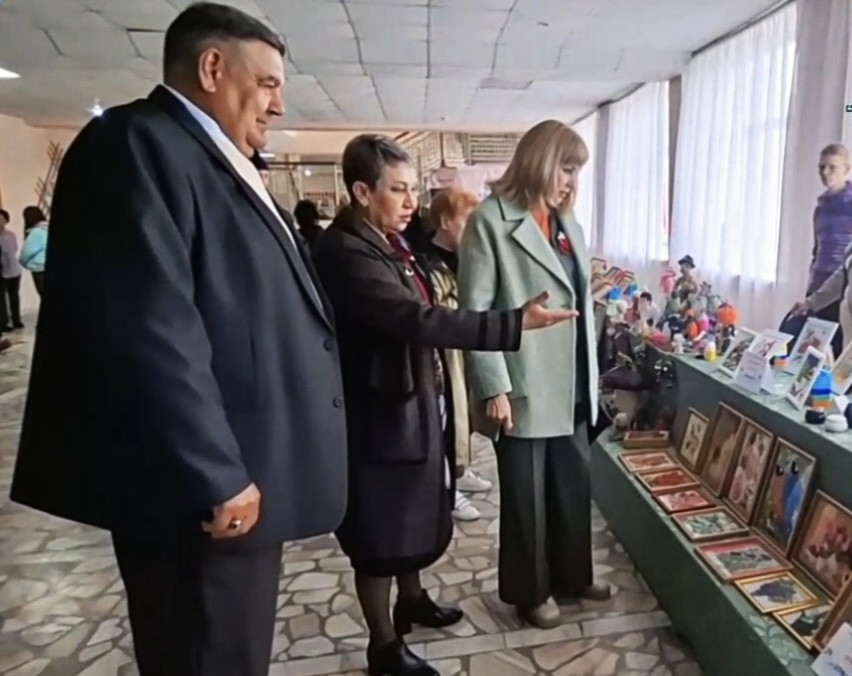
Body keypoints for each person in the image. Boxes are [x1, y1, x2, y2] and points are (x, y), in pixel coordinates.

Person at [9, 4, 347, 675]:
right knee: (205, 655)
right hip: (198, 493)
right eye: (268, 83)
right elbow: (147, 327)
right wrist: (216, 473)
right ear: (212, 67)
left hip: (240, 475)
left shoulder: (211, 158)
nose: (279, 104)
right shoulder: (137, 146)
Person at [313, 134, 579, 676]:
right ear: (362, 191)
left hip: (409, 398)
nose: (411, 202)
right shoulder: (345, 252)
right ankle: (383, 645)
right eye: (398, 190)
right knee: (378, 532)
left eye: (413, 189)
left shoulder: (387, 241)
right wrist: (512, 324)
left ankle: (411, 599)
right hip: (376, 414)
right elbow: (415, 319)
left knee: (408, 513)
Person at [458, 119, 611, 630]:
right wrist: (493, 386)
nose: (571, 181)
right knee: (527, 498)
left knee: (572, 486)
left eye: (577, 171)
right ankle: (531, 591)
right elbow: (475, 312)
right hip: (524, 379)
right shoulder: (490, 222)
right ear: (540, 162)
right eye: (566, 168)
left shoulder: (568, 224)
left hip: (572, 380)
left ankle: (574, 575)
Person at [417, 187, 492, 522]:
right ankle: (447, 488)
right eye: (468, 221)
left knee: (465, 416)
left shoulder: (469, 259)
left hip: (465, 349)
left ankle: (459, 471)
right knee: (446, 418)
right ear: (445, 221)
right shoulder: (424, 262)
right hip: (441, 357)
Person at [804, 144, 852, 353]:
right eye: (821, 167)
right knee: (816, 352)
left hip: (845, 290)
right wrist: (811, 290)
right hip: (819, 288)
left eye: (832, 167)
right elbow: (818, 250)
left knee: (842, 354)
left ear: (846, 169)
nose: (825, 172)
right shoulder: (820, 208)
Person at [0, 208, 24, 330]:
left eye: (2, 219)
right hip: (1, 270)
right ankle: (3, 322)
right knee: (1, 299)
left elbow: (14, 248)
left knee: (14, 296)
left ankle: (16, 319)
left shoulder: (10, 234)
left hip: (14, 269)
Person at [20, 206, 48, 298]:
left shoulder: (36, 232)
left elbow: (26, 253)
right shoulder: (46, 228)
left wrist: (23, 263)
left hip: (40, 269)